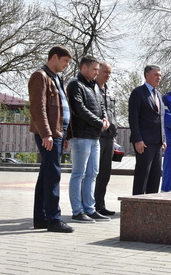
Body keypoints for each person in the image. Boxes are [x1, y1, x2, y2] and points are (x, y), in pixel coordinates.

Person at [28, 46, 74, 233]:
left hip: (57, 133)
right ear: (54, 57)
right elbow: (38, 108)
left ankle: (41, 218)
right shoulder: (40, 76)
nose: (66, 66)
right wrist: (46, 133)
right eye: (65, 61)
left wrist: (64, 134)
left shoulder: (57, 78)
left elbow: (62, 109)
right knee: (53, 174)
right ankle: (54, 219)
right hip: (48, 134)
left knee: (46, 174)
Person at [67, 55, 110, 223]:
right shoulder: (75, 85)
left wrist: (105, 118)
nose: (97, 73)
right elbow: (79, 109)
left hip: (95, 137)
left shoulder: (95, 86)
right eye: (95, 69)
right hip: (81, 136)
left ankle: (90, 209)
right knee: (79, 173)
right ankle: (77, 211)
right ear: (84, 68)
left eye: (98, 70)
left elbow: (101, 106)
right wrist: (99, 122)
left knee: (93, 173)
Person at [128, 64, 167, 195]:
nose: (159, 77)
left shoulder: (159, 95)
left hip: (157, 143)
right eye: (156, 75)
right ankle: (136, 205)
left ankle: (151, 205)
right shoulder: (138, 93)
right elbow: (133, 118)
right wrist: (137, 139)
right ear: (147, 75)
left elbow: (161, 118)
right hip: (143, 143)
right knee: (142, 174)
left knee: (155, 176)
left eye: (160, 75)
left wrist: (163, 139)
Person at [94, 62, 118, 216]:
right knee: (93, 173)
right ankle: (88, 205)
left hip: (109, 137)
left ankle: (100, 205)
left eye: (110, 73)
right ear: (98, 72)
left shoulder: (110, 91)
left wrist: (114, 137)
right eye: (105, 72)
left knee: (105, 173)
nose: (107, 75)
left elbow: (113, 114)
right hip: (96, 136)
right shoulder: (91, 89)